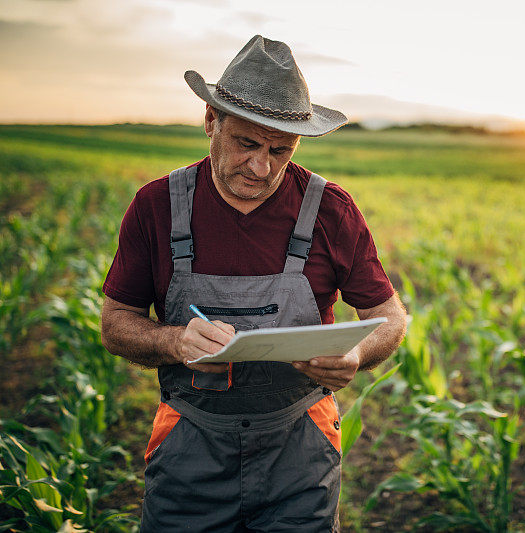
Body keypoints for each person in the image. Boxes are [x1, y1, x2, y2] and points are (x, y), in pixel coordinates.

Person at [99, 35, 407, 532]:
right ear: (210, 121)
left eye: (279, 150)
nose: (261, 168)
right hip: (189, 446)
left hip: (301, 446)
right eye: (246, 143)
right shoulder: (157, 206)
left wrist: (357, 355)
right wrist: (174, 340)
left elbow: (389, 317)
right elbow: (115, 324)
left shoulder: (331, 210)